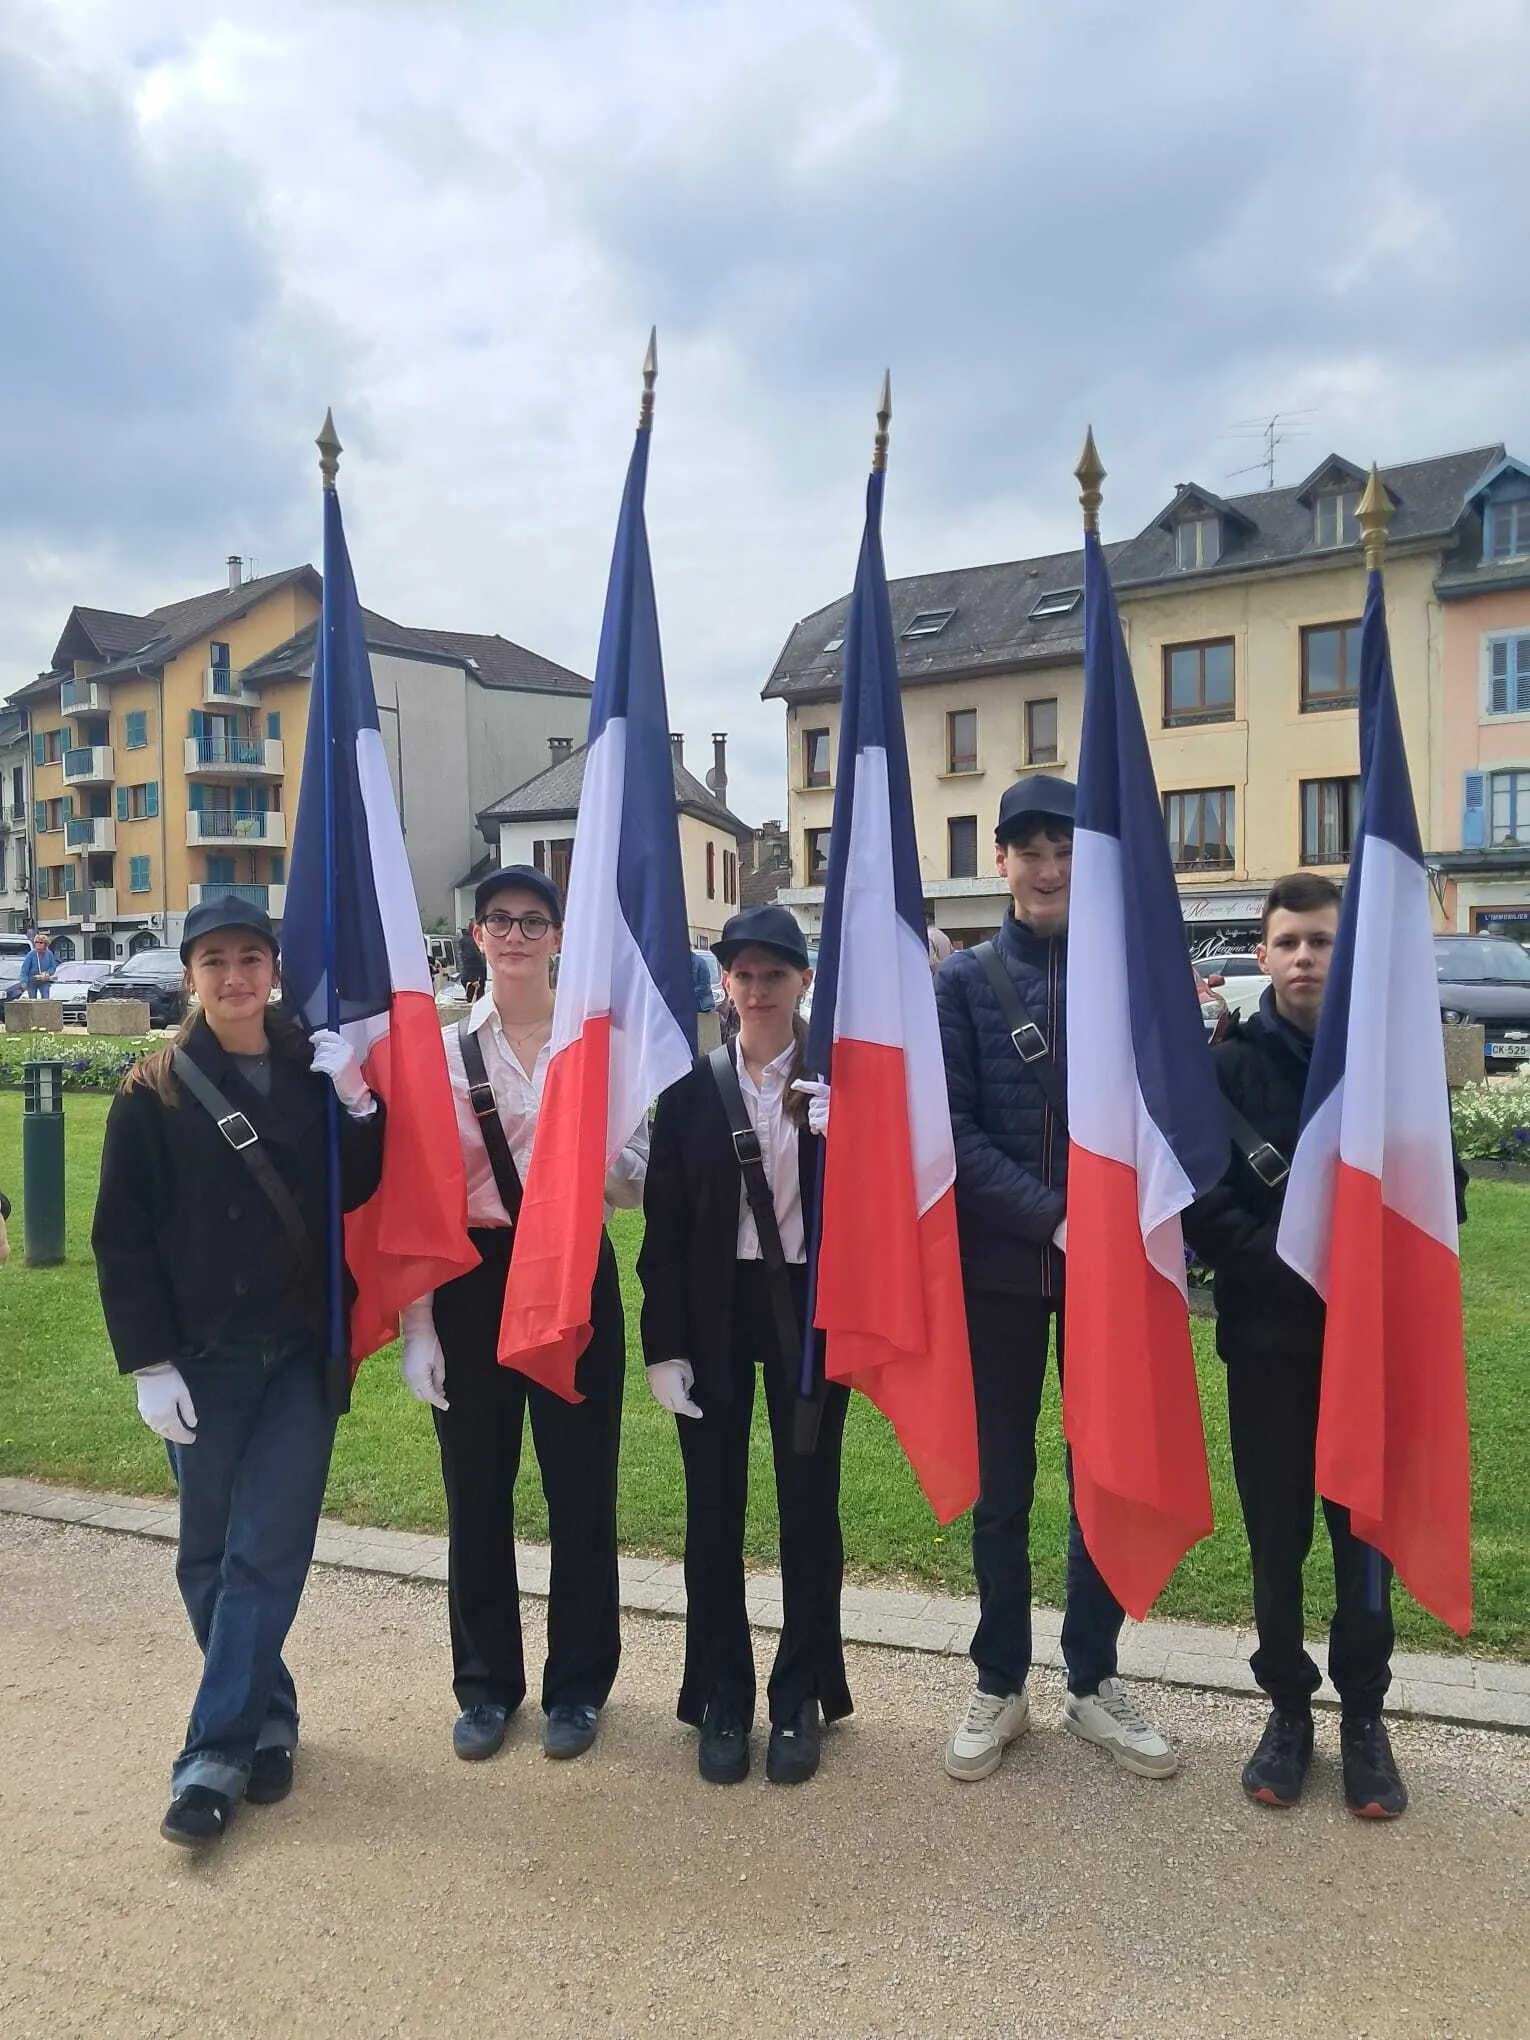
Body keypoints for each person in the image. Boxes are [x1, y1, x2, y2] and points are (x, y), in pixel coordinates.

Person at [91, 898, 384, 1849]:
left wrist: (358, 1103)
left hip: (297, 1353)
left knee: (263, 1553)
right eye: (214, 961)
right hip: (203, 1360)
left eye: (251, 958)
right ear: (190, 976)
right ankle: (269, 1715)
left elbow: (357, 1185)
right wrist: (148, 1364)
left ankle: (210, 1759)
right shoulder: (151, 1092)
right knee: (207, 1558)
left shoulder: (310, 1069)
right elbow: (122, 1241)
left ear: (274, 969)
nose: (234, 977)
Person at [1183, 872, 1455, 1820]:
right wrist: (1298, 1263)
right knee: (1278, 1537)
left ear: (1348, 957)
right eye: (1290, 942)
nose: (1305, 957)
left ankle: (1365, 1717)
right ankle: (1288, 1709)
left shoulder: (1389, 1069)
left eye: (1324, 942)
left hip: (1367, 1352)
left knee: (1362, 1534)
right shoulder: (1224, 1071)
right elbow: (1204, 1205)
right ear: (1262, 956)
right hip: (1267, 1348)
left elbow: (1443, 1192)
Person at [933, 775, 1176, 1784]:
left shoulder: (1127, 978)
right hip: (997, 1272)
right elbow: (951, 1133)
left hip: (1106, 1283)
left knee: (1101, 1476)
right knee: (1001, 1487)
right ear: (1000, 861)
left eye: (1064, 848)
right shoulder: (960, 983)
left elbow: (1162, 1117)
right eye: (1029, 849)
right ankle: (1000, 1680)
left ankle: (1092, 1678)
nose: (1048, 867)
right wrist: (1057, 1217)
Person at [399, 867, 643, 1764]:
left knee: (582, 1488)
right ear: (476, 935)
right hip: (474, 1275)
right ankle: (485, 1685)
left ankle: (578, 1685)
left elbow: (635, 1182)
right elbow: (421, 1196)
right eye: (498, 920)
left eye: (533, 921)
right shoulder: (442, 1052)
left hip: (573, 1268)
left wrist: (608, 1152)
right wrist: (418, 1326)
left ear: (558, 937)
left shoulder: (597, 1048)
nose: (514, 935)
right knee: (475, 1491)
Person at [638, 904, 850, 1785]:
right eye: (745, 975)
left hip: (805, 1307)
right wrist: (663, 1346)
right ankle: (721, 1694)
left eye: (775, 974)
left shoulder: (839, 1087)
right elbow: (663, 1232)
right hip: (715, 1308)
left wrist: (858, 1136)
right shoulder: (692, 1091)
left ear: (803, 981)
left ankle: (801, 1691)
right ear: (725, 985)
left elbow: (877, 1211)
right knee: (714, 1512)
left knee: (809, 1509)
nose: (759, 990)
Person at [20, 932, 56, 998]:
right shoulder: (31, 954)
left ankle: (45, 1004)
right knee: (32, 999)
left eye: (40, 942)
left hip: (44, 980)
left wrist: (47, 973)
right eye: (36, 942)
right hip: (32, 980)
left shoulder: (49, 954)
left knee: (45, 997)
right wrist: (23, 981)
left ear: (45, 944)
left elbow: (53, 967)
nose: (38, 944)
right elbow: (24, 969)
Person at [457, 923, 486, 1001]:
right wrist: (474, 979)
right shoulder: (471, 941)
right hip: (475, 976)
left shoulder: (464, 940)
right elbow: (471, 958)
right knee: (477, 999)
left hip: (468, 975)